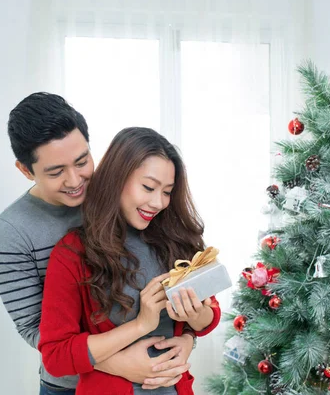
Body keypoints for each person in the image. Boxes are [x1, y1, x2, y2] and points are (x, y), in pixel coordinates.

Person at [0, 94, 197, 395]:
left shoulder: (125, 195)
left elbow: (170, 276)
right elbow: (36, 330)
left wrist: (188, 339)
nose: (76, 181)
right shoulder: (12, 230)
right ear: (25, 170)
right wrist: (116, 362)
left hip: (149, 380)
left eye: (82, 161)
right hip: (67, 386)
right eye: (56, 171)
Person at [38, 127, 221, 394]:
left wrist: (190, 332)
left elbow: (210, 315)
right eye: (148, 187)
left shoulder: (177, 241)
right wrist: (140, 325)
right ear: (117, 178)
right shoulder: (73, 253)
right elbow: (56, 356)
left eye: (167, 191)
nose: (158, 202)